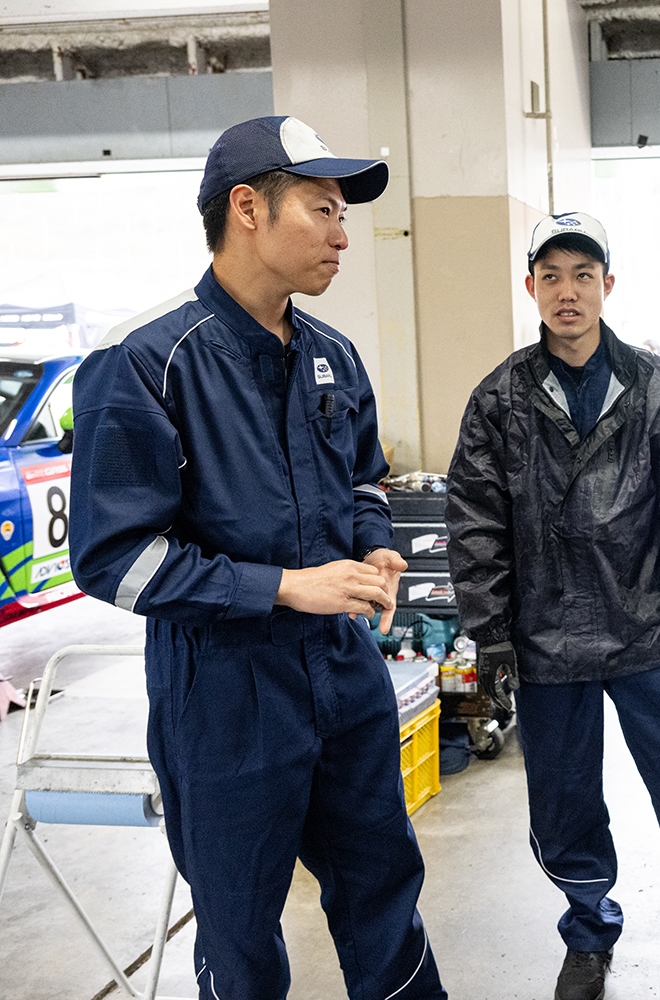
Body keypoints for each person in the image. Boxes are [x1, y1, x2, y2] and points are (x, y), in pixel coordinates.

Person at [69, 116, 445, 999]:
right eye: (322, 210)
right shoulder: (144, 361)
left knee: (385, 893)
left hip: (344, 680)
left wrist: (376, 549)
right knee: (239, 934)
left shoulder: (332, 356)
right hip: (225, 698)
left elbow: (364, 481)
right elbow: (115, 559)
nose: (344, 235)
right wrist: (284, 587)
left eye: (343, 215)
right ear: (248, 208)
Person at [445, 212, 660, 1000]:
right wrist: (492, 632)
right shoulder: (500, 398)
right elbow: (475, 518)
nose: (567, 292)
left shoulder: (656, 386)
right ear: (531, 288)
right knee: (562, 798)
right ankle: (587, 927)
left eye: (583, 275)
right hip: (546, 638)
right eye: (551, 276)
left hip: (646, 624)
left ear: (607, 285)